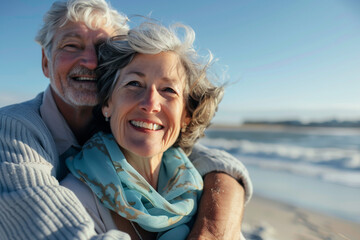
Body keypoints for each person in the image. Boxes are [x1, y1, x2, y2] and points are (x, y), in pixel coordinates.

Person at [0, 0, 252, 239]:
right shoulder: (12, 130)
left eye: (101, 49)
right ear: (45, 62)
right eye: (71, 46)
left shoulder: (126, 129)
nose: (90, 61)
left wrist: (215, 222)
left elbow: (199, 155)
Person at [61, 21, 228, 240]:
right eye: (134, 84)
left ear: (186, 115)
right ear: (107, 104)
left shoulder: (201, 192)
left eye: (168, 89)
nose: (150, 103)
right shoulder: (73, 199)